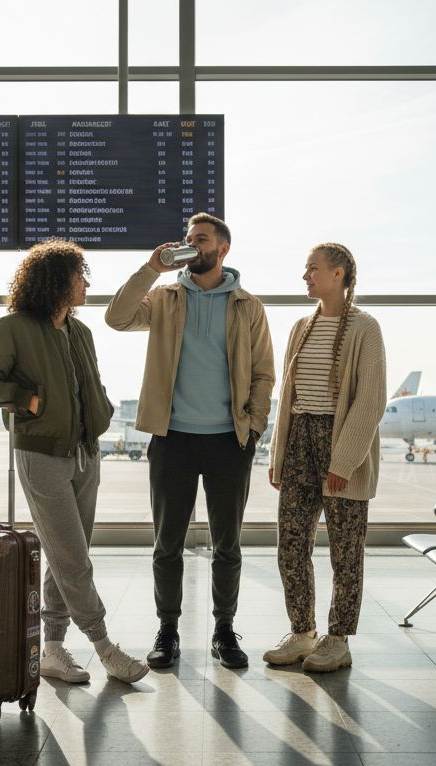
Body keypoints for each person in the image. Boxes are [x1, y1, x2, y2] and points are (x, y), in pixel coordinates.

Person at [0, 239, 149, 685]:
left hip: (86, 455)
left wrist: (100, 415)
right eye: (79, 275)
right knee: (73, 559)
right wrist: (25, 400)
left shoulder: (81, 332)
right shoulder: (14, 328)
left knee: (69, 554)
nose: (86, 283)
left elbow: (92, 387)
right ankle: (105, 646)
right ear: (56, 281)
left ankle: (51, 648)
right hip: (41, 455)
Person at [104, 213, 275, 670]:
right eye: (188, 239)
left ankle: (224, 629)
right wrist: (149, 270)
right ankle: (168, 629)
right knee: (167, 544)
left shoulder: (247, 305)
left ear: (222, 250)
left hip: (228, 442)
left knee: (227, 545)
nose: (191, 245)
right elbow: (116, 317)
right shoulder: (164, 297)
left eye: (201, 239)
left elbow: (263, 373)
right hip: (172, 438)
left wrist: (253, 427)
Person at [263, 242, 387, 673]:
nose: (305, 276)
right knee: (291, 543)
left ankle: (338, 639)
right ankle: (302, 633)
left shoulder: (365, 328)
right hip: (300, 440)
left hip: (341, 444)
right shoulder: (301, 326)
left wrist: (343, 461)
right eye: (305, 269)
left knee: (345, 551)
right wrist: (280, 456)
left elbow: (370, 400)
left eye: (313, 268)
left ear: (338, 274)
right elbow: (287, 399)